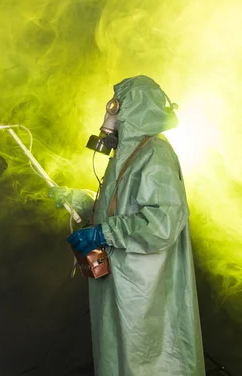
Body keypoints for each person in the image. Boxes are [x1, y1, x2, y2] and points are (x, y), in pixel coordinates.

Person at [50, 75, 204, 375]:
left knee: (150, 362)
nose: (109, 113)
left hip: (144, 288)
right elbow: (120, 205)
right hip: (122, 285)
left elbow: (162, 223)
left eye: (115, 106)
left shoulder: (155, 154)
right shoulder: (126, 154)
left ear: (134, 109)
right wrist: (81, 200)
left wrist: (103, 232)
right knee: (120, 360)